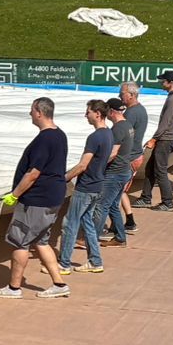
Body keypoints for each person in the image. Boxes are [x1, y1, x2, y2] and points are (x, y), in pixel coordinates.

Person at [0, 97, 72, 297]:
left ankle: (14, 288)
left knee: (19, 241)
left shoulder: (44, 139)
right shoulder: (60, 135)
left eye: (31, 110)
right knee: (41, 240)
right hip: (53, 197)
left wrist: (14, 195)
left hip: (37, 199)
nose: (30, 113)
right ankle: (59, 284)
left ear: (39, 112)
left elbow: (33, 173)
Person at [60, 100, 118, 273]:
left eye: (88, 112)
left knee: (70, 223)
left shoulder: (95, 137)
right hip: (97, 185)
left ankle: (64, 264)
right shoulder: (109, 134)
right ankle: (95, 261)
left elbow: (83, 165)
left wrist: (64, 178)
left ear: (97, 114)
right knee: (88, 223)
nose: (86, 115)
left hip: (85, 187)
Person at [145, 71, 173, 211]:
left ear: (171, 82)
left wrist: (154, 138)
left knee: (160, 171)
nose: (161, 83)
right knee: (150, 168)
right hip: (168, 137)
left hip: (166, 139)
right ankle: (145, 197)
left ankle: (168, 202)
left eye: (163, 81)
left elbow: (165, 122)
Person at [96, 99, 134, 246]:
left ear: (111, 111)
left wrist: (97, 166)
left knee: (102, 205)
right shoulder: (127, 125)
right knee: (112, 205)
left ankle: (90, 237)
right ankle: (120, 237)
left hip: (115, 173)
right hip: (123, 171)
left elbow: (113, 153)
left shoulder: (117, 129)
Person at [115, 80, 149, 238]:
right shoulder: (140, 110)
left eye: (122, 93)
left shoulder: (131, 113)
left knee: (114, 191)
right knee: (120, 191)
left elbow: (123, 135)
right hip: (134, 156)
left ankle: (116, 227)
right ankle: (129, 221)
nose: (119, 96)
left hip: (129, 157)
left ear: (131, 95)